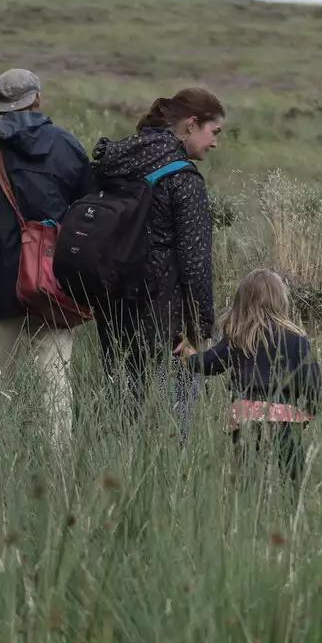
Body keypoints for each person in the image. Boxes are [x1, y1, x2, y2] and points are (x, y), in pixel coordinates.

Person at [0, 68, 93, 448]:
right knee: (55, 381)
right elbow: (87, 218)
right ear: (38, 99)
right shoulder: (67, 145)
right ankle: (57, 463)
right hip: (54, 284)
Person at [90, 88, 225, 442]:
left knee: (122, 409)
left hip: (112, 306)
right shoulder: (183, 178)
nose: (215, 144)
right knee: (175, 421)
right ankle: (172, 482)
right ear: (192, 124)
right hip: (167, 323)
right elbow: (195, 264)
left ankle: (115, 470)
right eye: (215, 132)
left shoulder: (118, 162)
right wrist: (198, 333)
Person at [184, 268, 322, 485]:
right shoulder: (298, 338)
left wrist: (190, 356)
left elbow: (209, 365)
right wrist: (310, 410)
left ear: (242, 302)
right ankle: (294, 510)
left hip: (245, 416)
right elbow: (312, 381)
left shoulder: (239, 337)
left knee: (244, 477)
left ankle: (247, 509)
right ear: (281, 300)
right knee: (293, 474)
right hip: (285, 415)